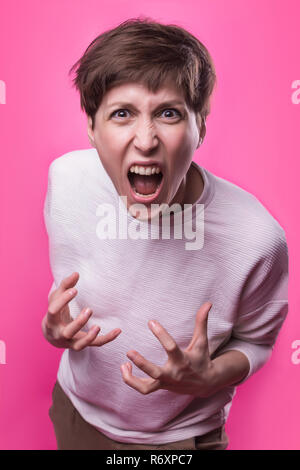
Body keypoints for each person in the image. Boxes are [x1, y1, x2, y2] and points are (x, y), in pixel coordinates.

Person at [42, 17, 289, 450]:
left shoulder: (256, 238)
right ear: (92, 128)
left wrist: (210, 376)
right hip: (76, 415)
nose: (146, 139)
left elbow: (257, 341)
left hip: (182, 441)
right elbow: (72, 296)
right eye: (122, 114)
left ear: (201, 128)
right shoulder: (66, 182)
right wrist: (53, 330)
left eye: (169, 113)